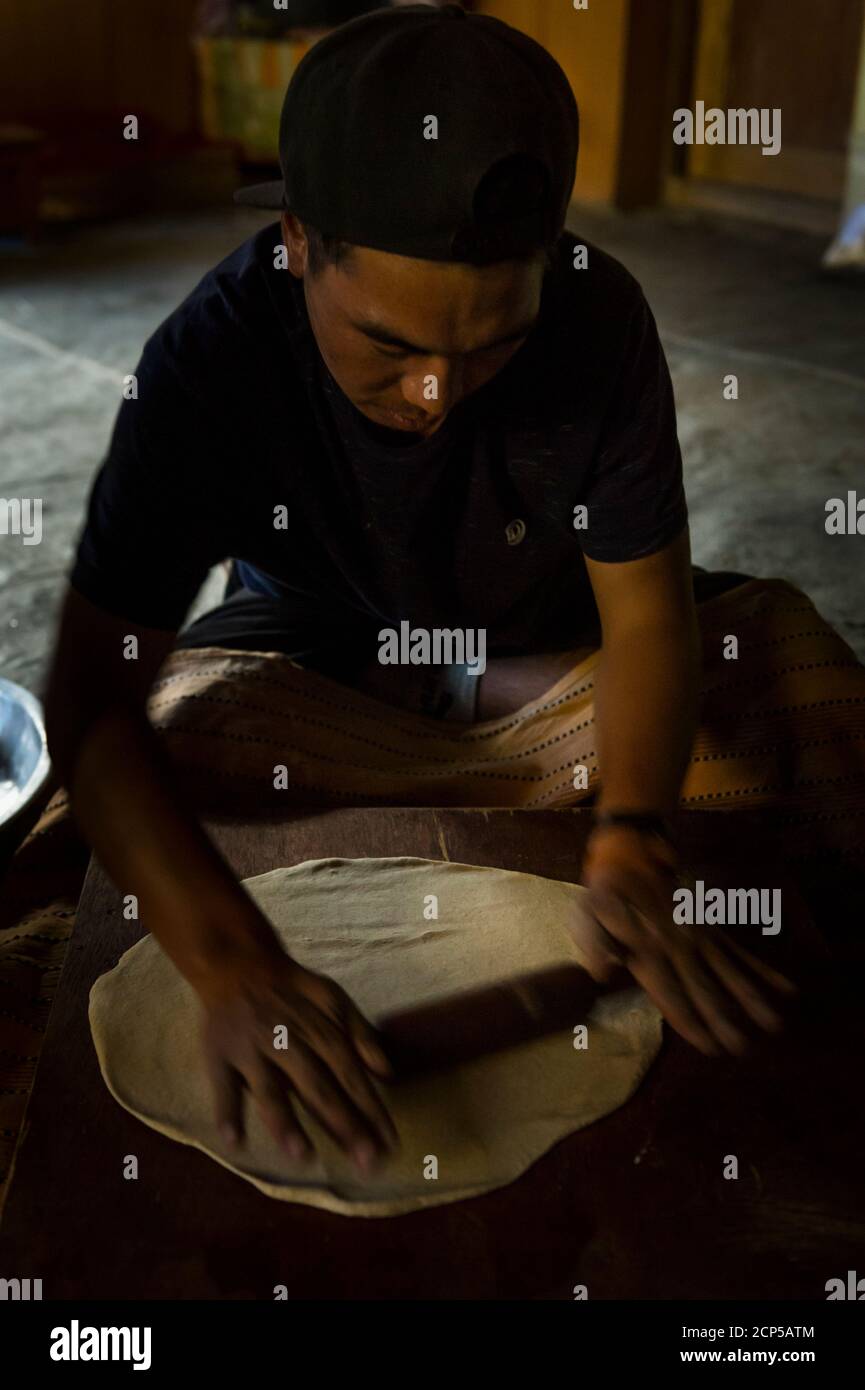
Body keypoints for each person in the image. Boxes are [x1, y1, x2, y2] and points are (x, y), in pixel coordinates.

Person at [44, 3, 795, 1176]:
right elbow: (91, 695)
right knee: (158, 750)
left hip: (540, 634)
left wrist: (637, 829)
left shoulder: (600, 320)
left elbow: (645, 615)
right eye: (388, 345)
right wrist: (230, 959)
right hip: (317, 633)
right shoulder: (211, 363)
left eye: (491, 346)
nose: (437, 393)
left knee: (785, 673)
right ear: (298, 241)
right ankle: (463, 732)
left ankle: (467, 722)